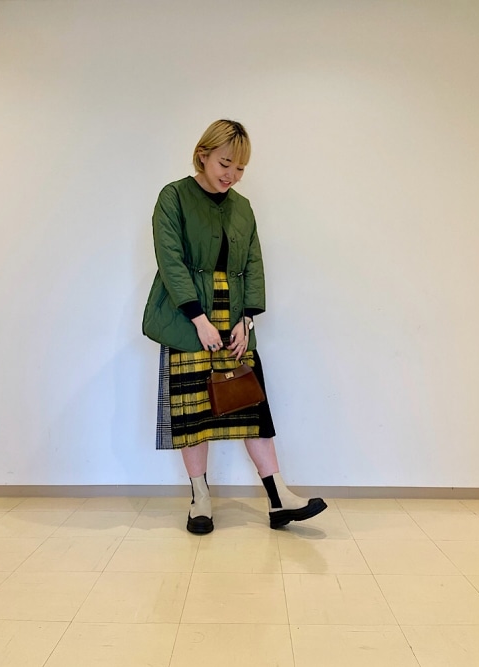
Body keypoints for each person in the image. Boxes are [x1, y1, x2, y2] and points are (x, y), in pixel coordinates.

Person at [143, 119, 327, 534]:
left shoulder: (242, 207)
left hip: (234, 320)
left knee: (250, 405)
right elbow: (171, 261)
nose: (232, 175)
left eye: (240, 168)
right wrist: (198, 319)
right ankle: (200, 499)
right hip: (187, 320)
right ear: (203, 155)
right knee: (193, 414)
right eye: (225, 164)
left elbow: (253, 264)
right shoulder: (173, 197)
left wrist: (247, 319)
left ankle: (279, 498)